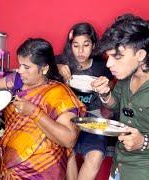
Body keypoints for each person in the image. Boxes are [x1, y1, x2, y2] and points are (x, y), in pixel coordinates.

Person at [0, 38, 86, 179]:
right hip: (11, 162)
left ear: (44, 69)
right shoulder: (18, 80)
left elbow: (69, 139)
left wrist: (34, 112)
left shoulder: (58, 93)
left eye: (26, 67)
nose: (20, 71)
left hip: (42, 168)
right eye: (20, 65)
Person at [91, 14, 149, 180]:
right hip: (118, 166)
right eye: (108, 56)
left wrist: (145, 142)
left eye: (117, 56)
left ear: (141, 55)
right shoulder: (127, 73)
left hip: (148, 171)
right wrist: (106, 94)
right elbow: (117, 105)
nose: (108, 64)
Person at [56, 22, 114, 180]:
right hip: (68, 121)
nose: (80, 51)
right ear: (70, 45)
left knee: (95, 156)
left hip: (93, 119)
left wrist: (106, 84)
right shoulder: (61, 61)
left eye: (86, 45)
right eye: (76, 45)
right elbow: (42, 66)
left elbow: (112, 91)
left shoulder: (104, 66)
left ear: (93, 44)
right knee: (67, 155)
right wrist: (57, 67)